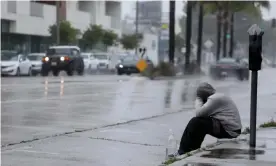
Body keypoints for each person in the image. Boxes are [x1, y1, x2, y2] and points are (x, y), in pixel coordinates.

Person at [169, 82, 242, 157]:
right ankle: (191, 150)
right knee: (201, 123)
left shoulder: (214, 99)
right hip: (232, 129)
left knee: (196, 122)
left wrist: (198, 99)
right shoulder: (218, 97)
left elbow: (198, 113)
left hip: (230, 132)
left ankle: (182, 152)